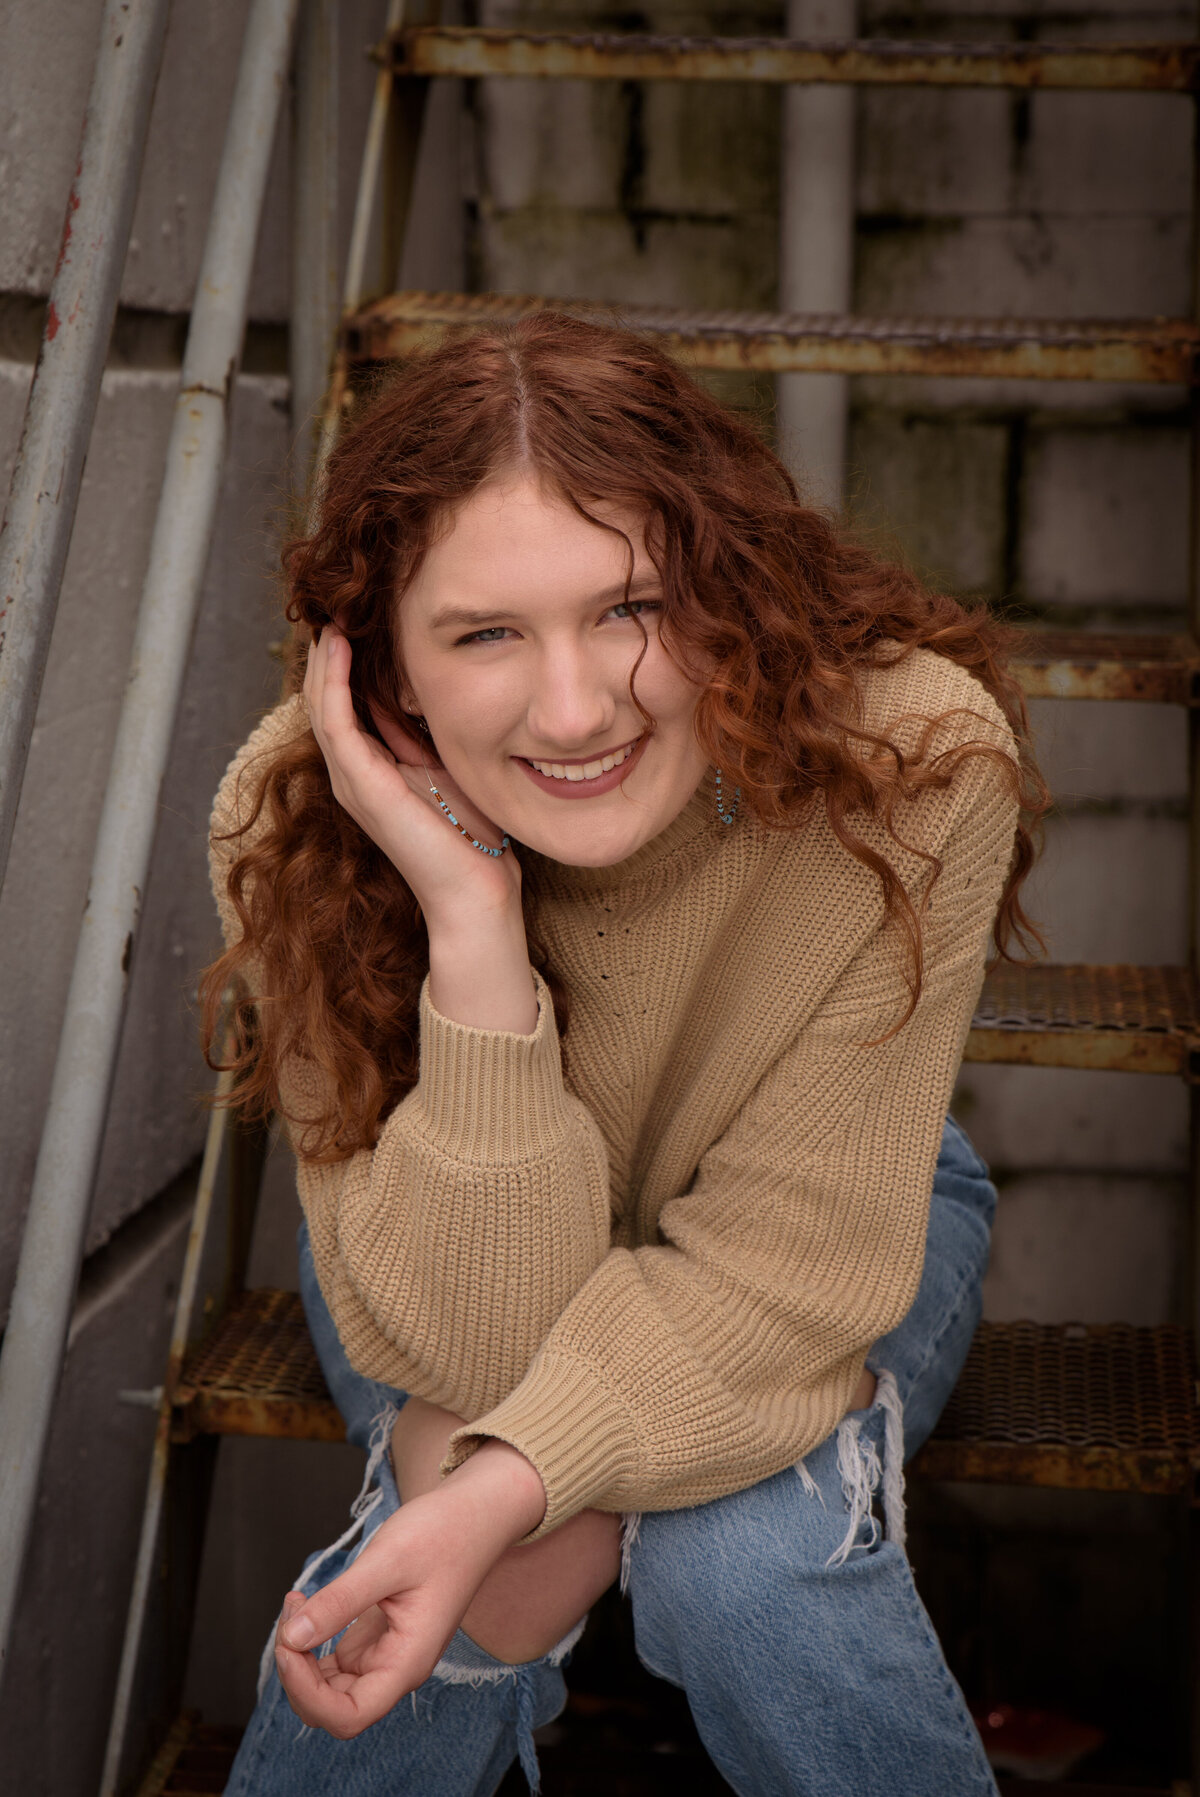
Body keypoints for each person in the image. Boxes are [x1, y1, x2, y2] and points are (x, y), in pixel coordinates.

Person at [202, 312, 1045, 1797]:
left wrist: (514, 1483)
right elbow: (473, 1348)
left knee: (739, 1549)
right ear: (382, 668)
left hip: (817, 1221)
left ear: (731, 587)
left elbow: (788, 1270)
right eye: (484, 634)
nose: (578, 706)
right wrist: (472, 922)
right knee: (510, 1563)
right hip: (438, 1250)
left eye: (632, 605)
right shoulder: (296, 820)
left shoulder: (911, 762)